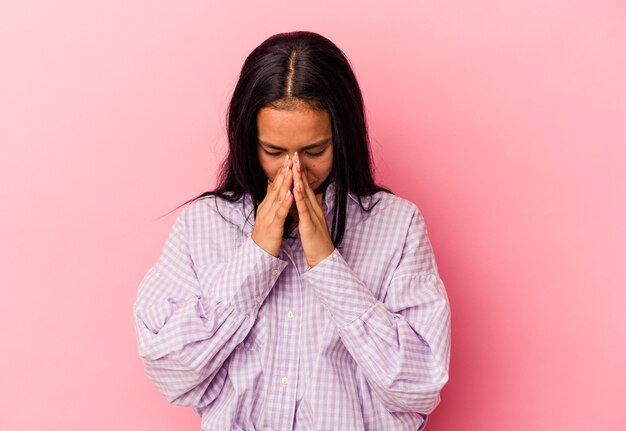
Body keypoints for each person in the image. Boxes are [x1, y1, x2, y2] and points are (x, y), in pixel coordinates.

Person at [133, 30, 451, 431]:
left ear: (343, 138)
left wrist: (328, 264)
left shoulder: (397, 225)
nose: (294, 170)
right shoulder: (204, 225)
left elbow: (420, 387)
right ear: (249, 142)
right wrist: (255, 257)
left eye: (315, 151)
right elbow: (170, 371)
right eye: (273, 151)